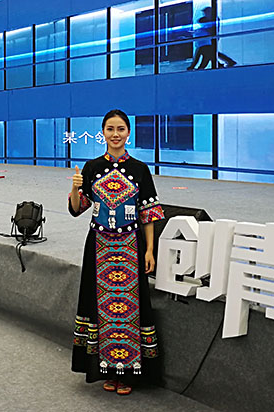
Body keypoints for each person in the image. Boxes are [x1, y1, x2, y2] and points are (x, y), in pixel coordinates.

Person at [68, 109, 164, 395]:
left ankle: (130, 374)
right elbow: (77, 209)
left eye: (120, 129)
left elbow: (148, 213)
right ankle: (105, 371)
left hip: (131, 246)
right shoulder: (91, 167)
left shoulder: (140, 169)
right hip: (99, 246)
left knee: (132, 309)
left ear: (128, 133)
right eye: (110, 129)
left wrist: (150, 250)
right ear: (103, 133)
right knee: (98, 306)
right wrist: (74, 188)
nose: (115, 134)